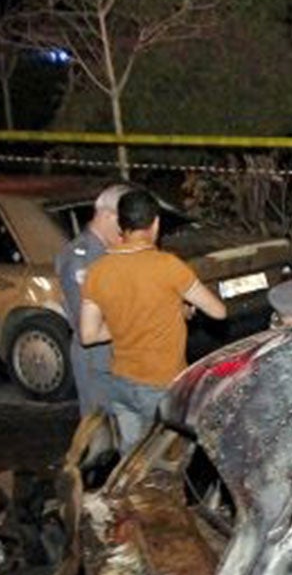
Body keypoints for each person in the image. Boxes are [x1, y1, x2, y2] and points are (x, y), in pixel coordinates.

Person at [79, 189, 228, 450]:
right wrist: (174, 309)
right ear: (156, 223)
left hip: (120, 383)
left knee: (132, 458)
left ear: (121, 225)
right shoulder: (168, 266)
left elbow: (88, 335)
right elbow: (218, 311)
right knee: (168, 460)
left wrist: (131, 321)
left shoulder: (97, 271)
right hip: (161, 385)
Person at [57, 183, 130, 419]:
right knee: (101, 442)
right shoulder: (80, 257)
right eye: (125, 221)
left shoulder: (115, 253)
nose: (128, 230)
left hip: (120, 359)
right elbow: (87, 328)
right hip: (97, 362)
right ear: (108, 215)